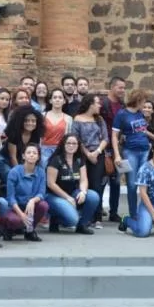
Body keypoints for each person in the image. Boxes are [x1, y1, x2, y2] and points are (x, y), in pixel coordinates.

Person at [45, 134, 100, 235]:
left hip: (72, 193)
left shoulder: (79, 160)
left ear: (78, 145)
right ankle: (55, 219)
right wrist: (67, 198)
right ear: (63, 144)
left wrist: (83, 192)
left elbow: (83, 180)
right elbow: (51, 183)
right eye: (68, 143)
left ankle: (82, 225)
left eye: (74, 143)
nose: (71, 146)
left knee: (93, 196)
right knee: (71, 221)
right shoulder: (56, 160)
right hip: (54, 196)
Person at [112, 89, 151, 220]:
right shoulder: (122, 114)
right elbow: (114, 135)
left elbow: (142, 130)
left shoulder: (140, 114)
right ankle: (133, 214)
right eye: (143, 101)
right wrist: (117, 154)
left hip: (145, 150)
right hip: (130, 152)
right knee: (132, 184)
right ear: (138, 100)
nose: (145, 104)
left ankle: (145, 211)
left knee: (145, 183)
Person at [72, 94, 109, 228]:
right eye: (97, 103)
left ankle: (97, 217)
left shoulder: (99, 119)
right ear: (90, 104)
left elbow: (105, 138)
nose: (100, 105)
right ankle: (85, 214)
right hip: (82, 155)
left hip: (98, 155)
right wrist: (88, 154)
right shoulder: (77, 119)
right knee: (83, 185)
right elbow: (76, 139)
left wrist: (97, 152)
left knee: (97, 185)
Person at [2, 143, 49, 241]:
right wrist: (21, 214)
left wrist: (32, 201)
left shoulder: (41, 172)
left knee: (43, 205)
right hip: (16, 207)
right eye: (29, 152)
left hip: (30, 206)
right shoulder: (14, 172)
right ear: (23, 156)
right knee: (15, 220)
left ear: (38, 157)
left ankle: (29, 231)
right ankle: (9, 229)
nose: (32, 155)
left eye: (35, 153)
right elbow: (10, 197)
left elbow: (42, 193)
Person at [99, 76, 126, 222]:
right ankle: (98, 210)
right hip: (104, 146)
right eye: (120, 87)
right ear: (112, 87)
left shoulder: (122, 105)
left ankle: (113, 212)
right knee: (102, 179)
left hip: (118, 148)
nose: (122, 90)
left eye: (123, 88)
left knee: (116, 180)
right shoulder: (103, 104)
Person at [40, 88, 72, 167]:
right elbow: (38, 136)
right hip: (44, 151)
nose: (57, 100)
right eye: (55, 97)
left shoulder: (68, 118)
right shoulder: (42, 115)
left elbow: (69, 137)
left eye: (60, 97)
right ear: (50, 101)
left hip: (60, 150)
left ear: (64, 101)